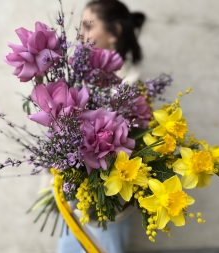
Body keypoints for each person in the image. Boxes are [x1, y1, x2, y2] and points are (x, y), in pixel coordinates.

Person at [57, 1, 146, 252]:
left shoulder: (131, 83)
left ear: (114, 32)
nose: (81, 35)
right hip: (73, 202)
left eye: (88, 26)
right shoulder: (78, 78)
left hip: (105, 207)